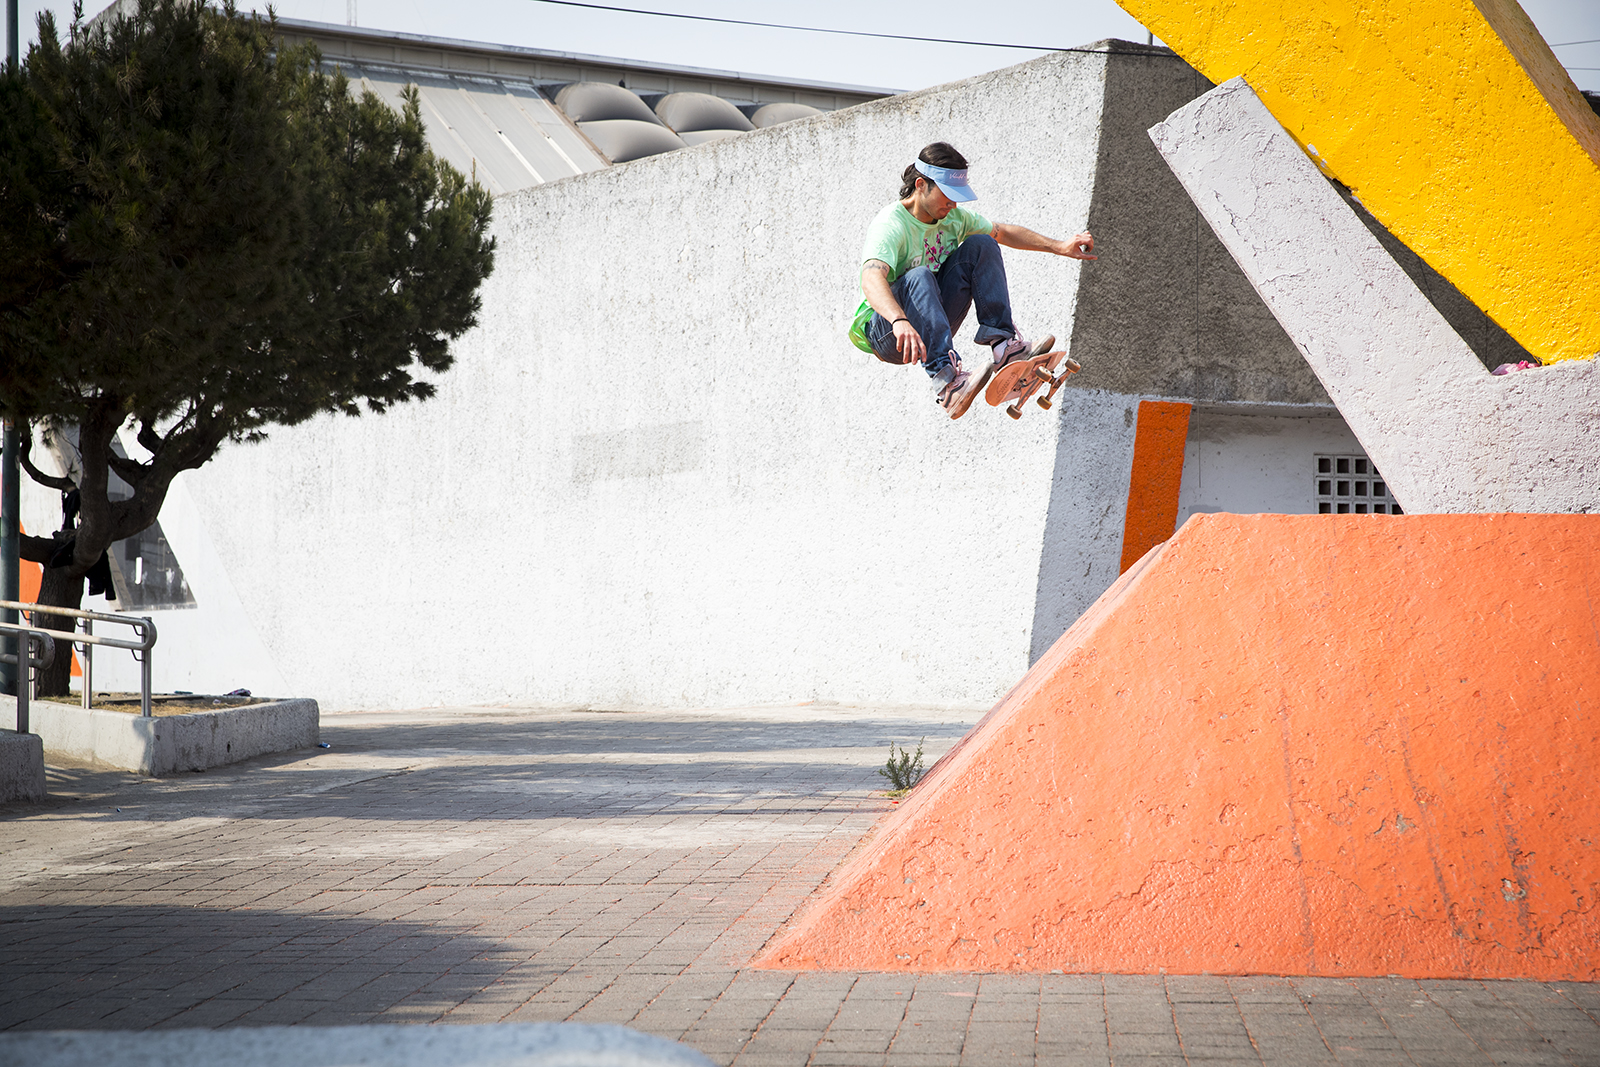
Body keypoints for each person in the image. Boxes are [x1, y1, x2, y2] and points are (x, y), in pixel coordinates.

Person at [849, 142, 1097, 418]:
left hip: (929, 323)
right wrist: (899, 320)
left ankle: (1004, 350)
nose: (953, 204)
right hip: (888, 332)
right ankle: (947, 384)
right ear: (921, 185)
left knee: (982, 244)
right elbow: (871, 278)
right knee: (919, 275)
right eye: (947, 195)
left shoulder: (954, 218)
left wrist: (1060, 246)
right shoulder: (891, 224)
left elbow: (1004, 233)